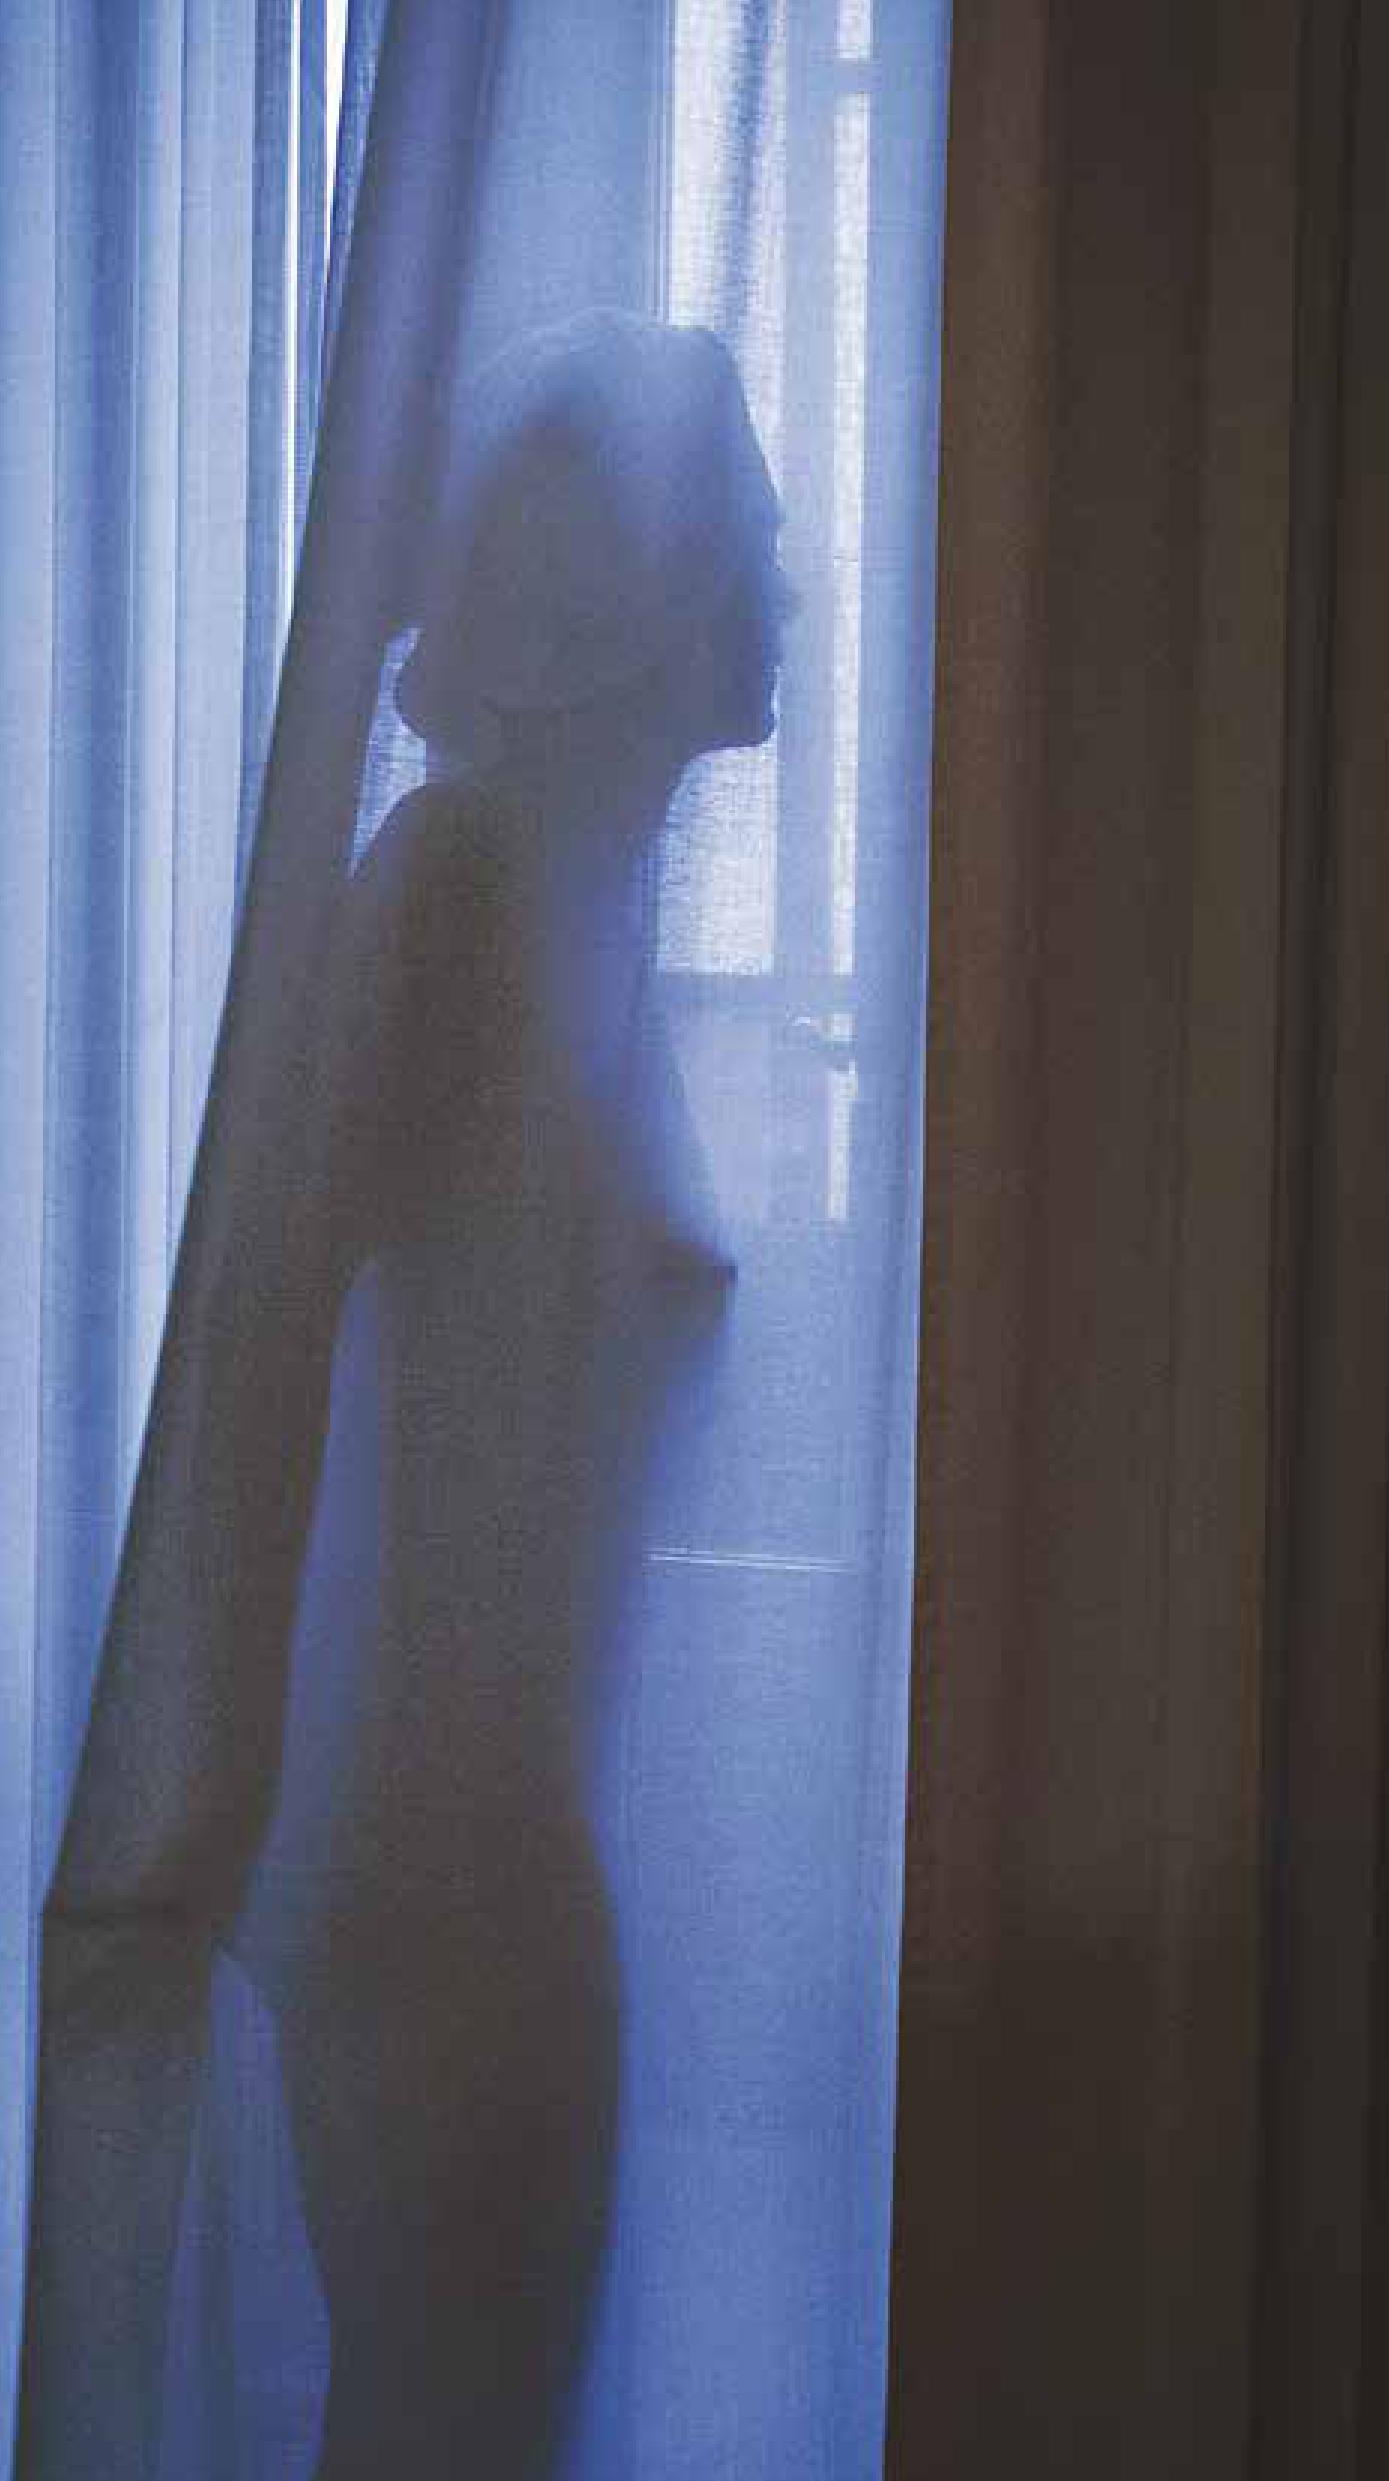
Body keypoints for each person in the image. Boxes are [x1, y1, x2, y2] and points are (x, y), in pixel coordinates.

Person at [212, 313, 795, 2478]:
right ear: (618, 590)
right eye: (750, 530)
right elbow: (261, 1355)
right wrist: (232, 1821)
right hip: (421, 1874)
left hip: (522, 1863)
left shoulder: (586, 917)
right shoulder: (452, 884)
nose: (794, 580)